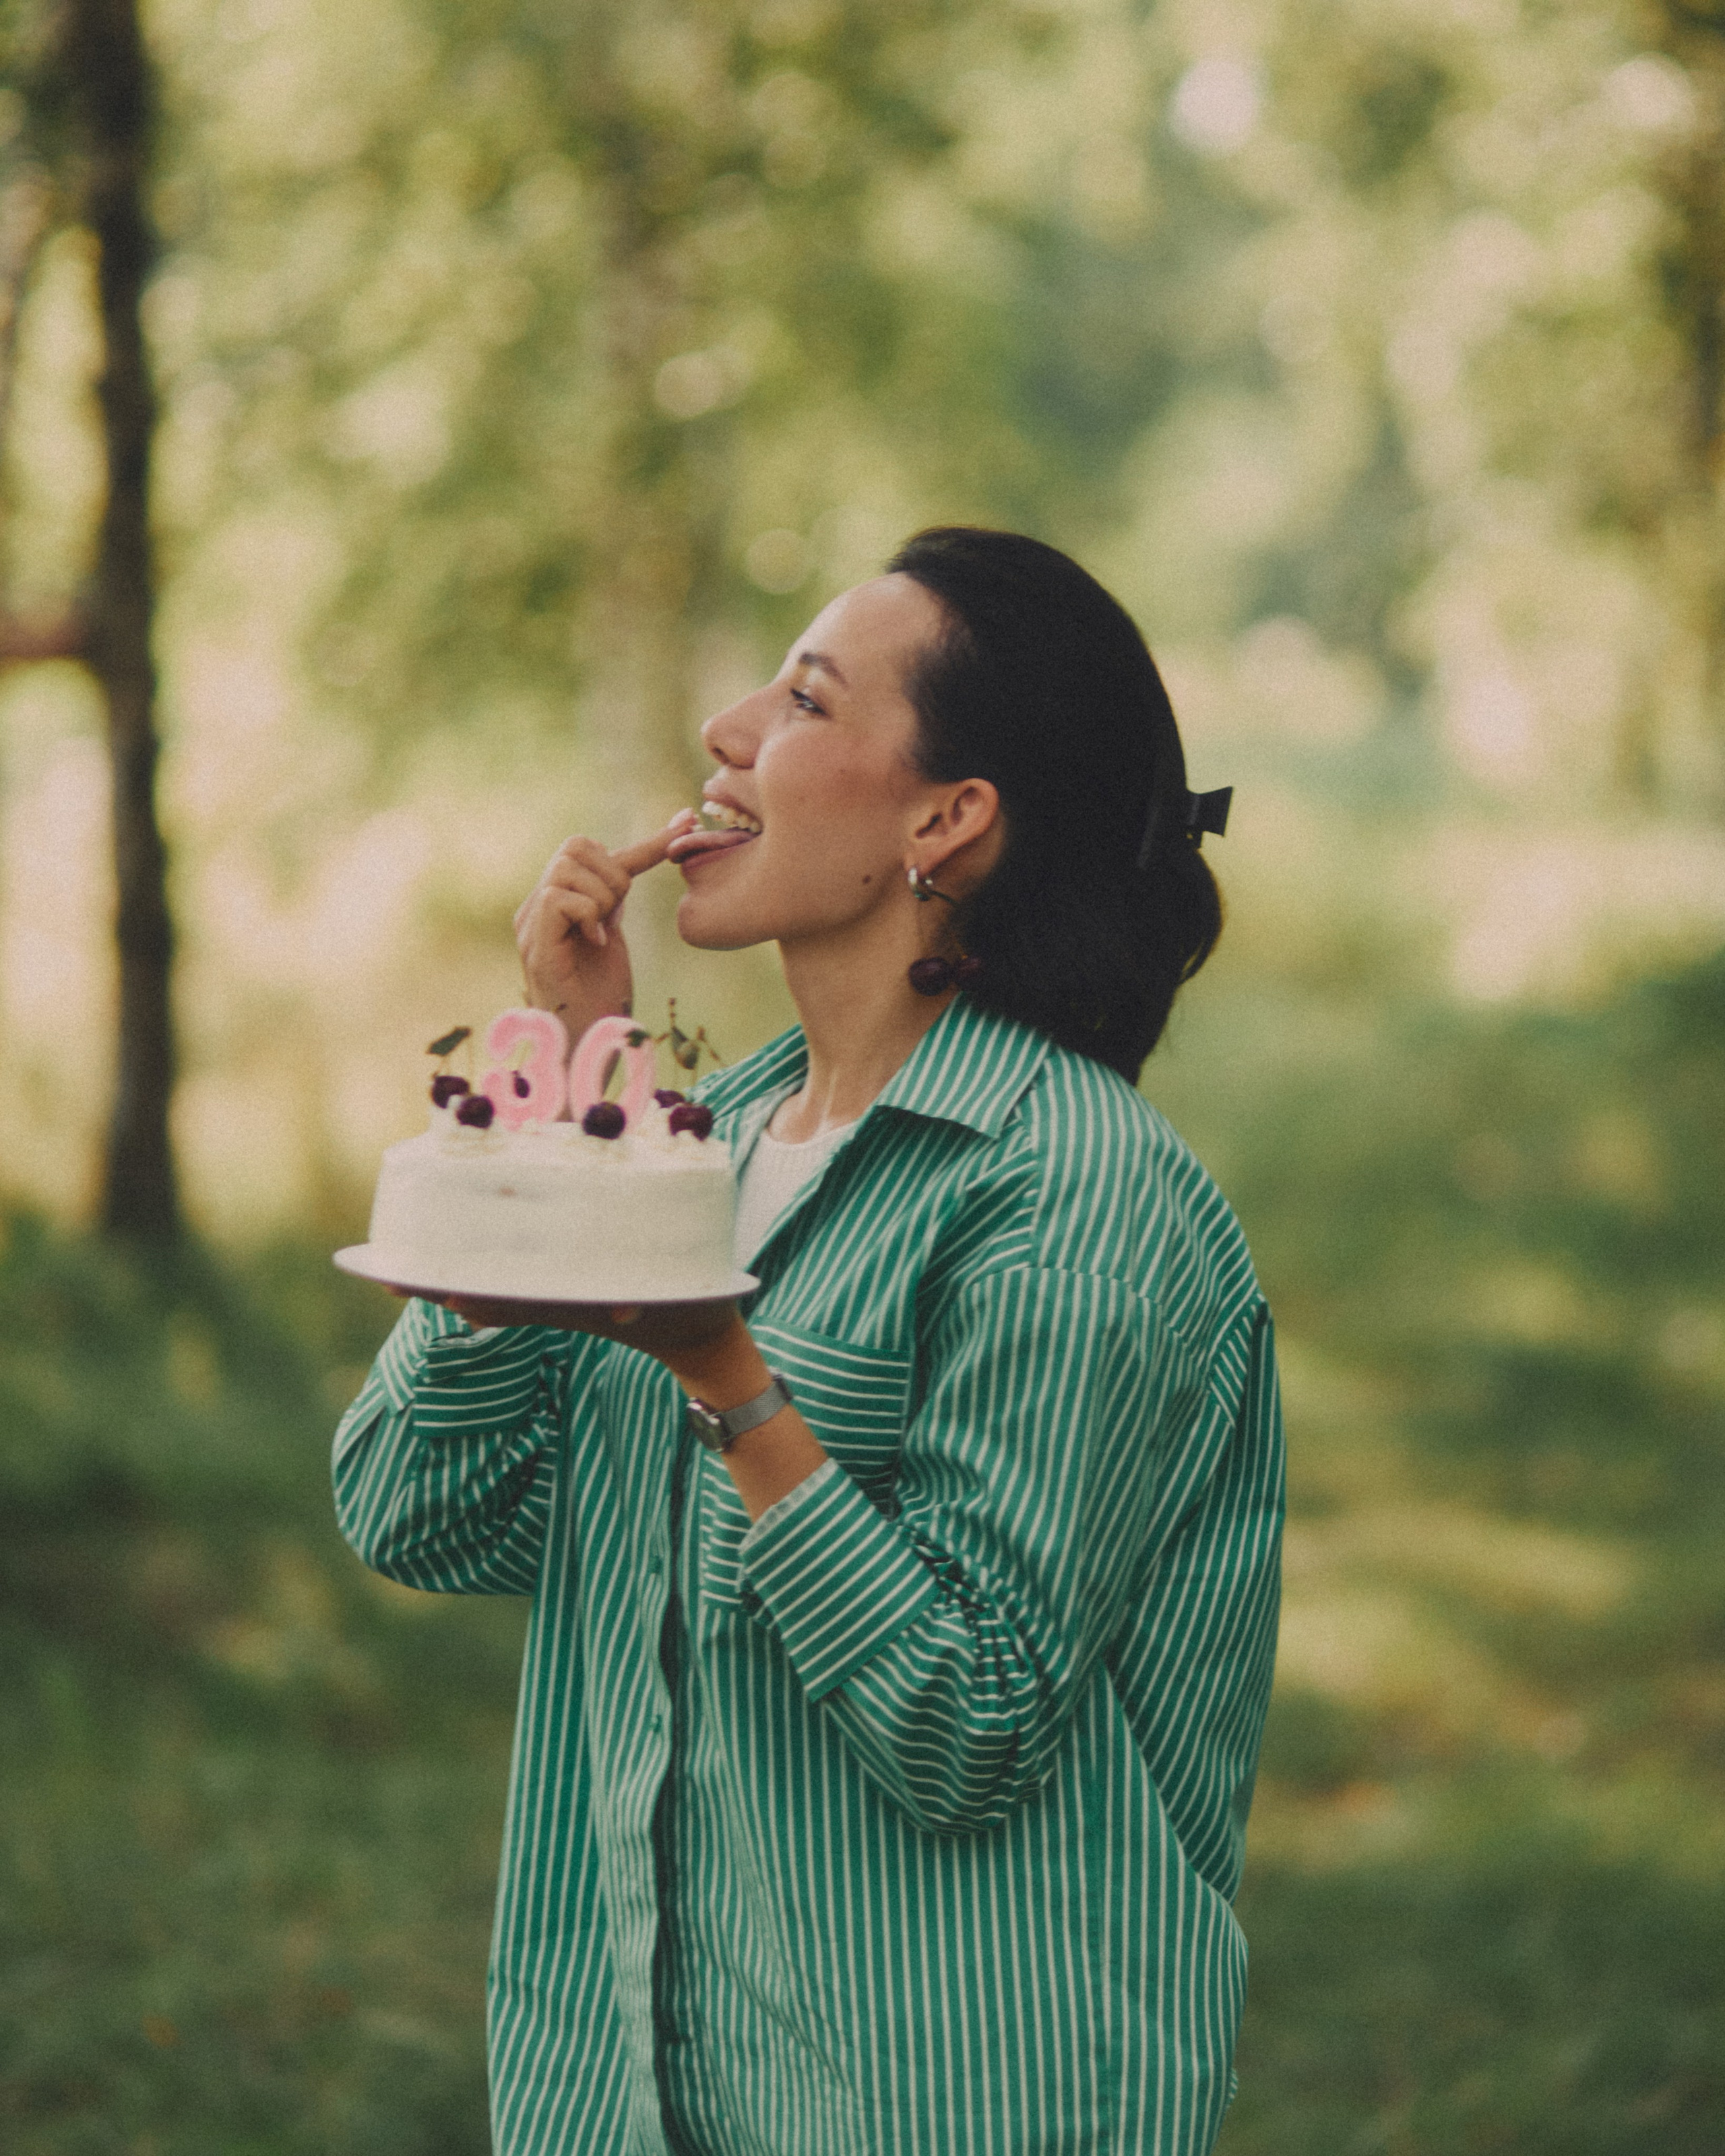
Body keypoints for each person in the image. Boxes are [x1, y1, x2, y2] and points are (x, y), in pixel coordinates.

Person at [333, 528, 1284, 2156]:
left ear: (943, 819)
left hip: (965, 2098)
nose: (724, 728)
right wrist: (566, 1108)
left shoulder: (1071, 1199)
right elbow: (423, 1516)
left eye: (800, 697)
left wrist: (729, 1378)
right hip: (642, 2089)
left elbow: (969, 1721)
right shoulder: (690, 1141)